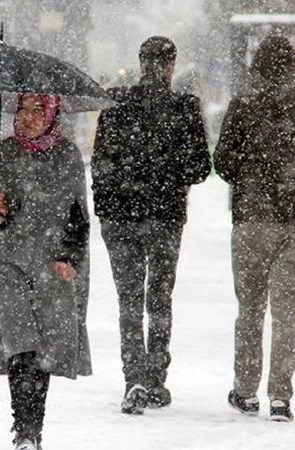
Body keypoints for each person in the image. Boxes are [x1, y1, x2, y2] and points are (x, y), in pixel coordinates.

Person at [214, 35, 295, 422]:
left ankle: (245, 389)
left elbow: (222, 162)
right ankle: (280, 396)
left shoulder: (243, 108)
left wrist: (251, 176)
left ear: (257, 69)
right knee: (287, 310)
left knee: (250, 308)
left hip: (252, 220)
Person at [0, 93, 91, 450]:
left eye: (39, 110)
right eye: (23, 109)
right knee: (21, 344)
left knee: (42, 349)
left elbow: (78, 216)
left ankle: (32, 428)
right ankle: (25, 430)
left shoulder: (67, 156)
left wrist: (70, 256)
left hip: (50, 265)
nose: (29, 117)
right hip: (5, 265)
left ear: (52, 115)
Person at [91, 36, 211, 414]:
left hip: (120, 216)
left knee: (128, 299)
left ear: (141, 63)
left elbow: (100, 162)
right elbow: (199, 168)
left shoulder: (115, 103)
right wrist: (167, 173)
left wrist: (108, 204)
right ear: (171, 65)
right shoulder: (184, 107)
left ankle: (134, 378)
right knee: (159, 297)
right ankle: (157, 377)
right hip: (165, 215)